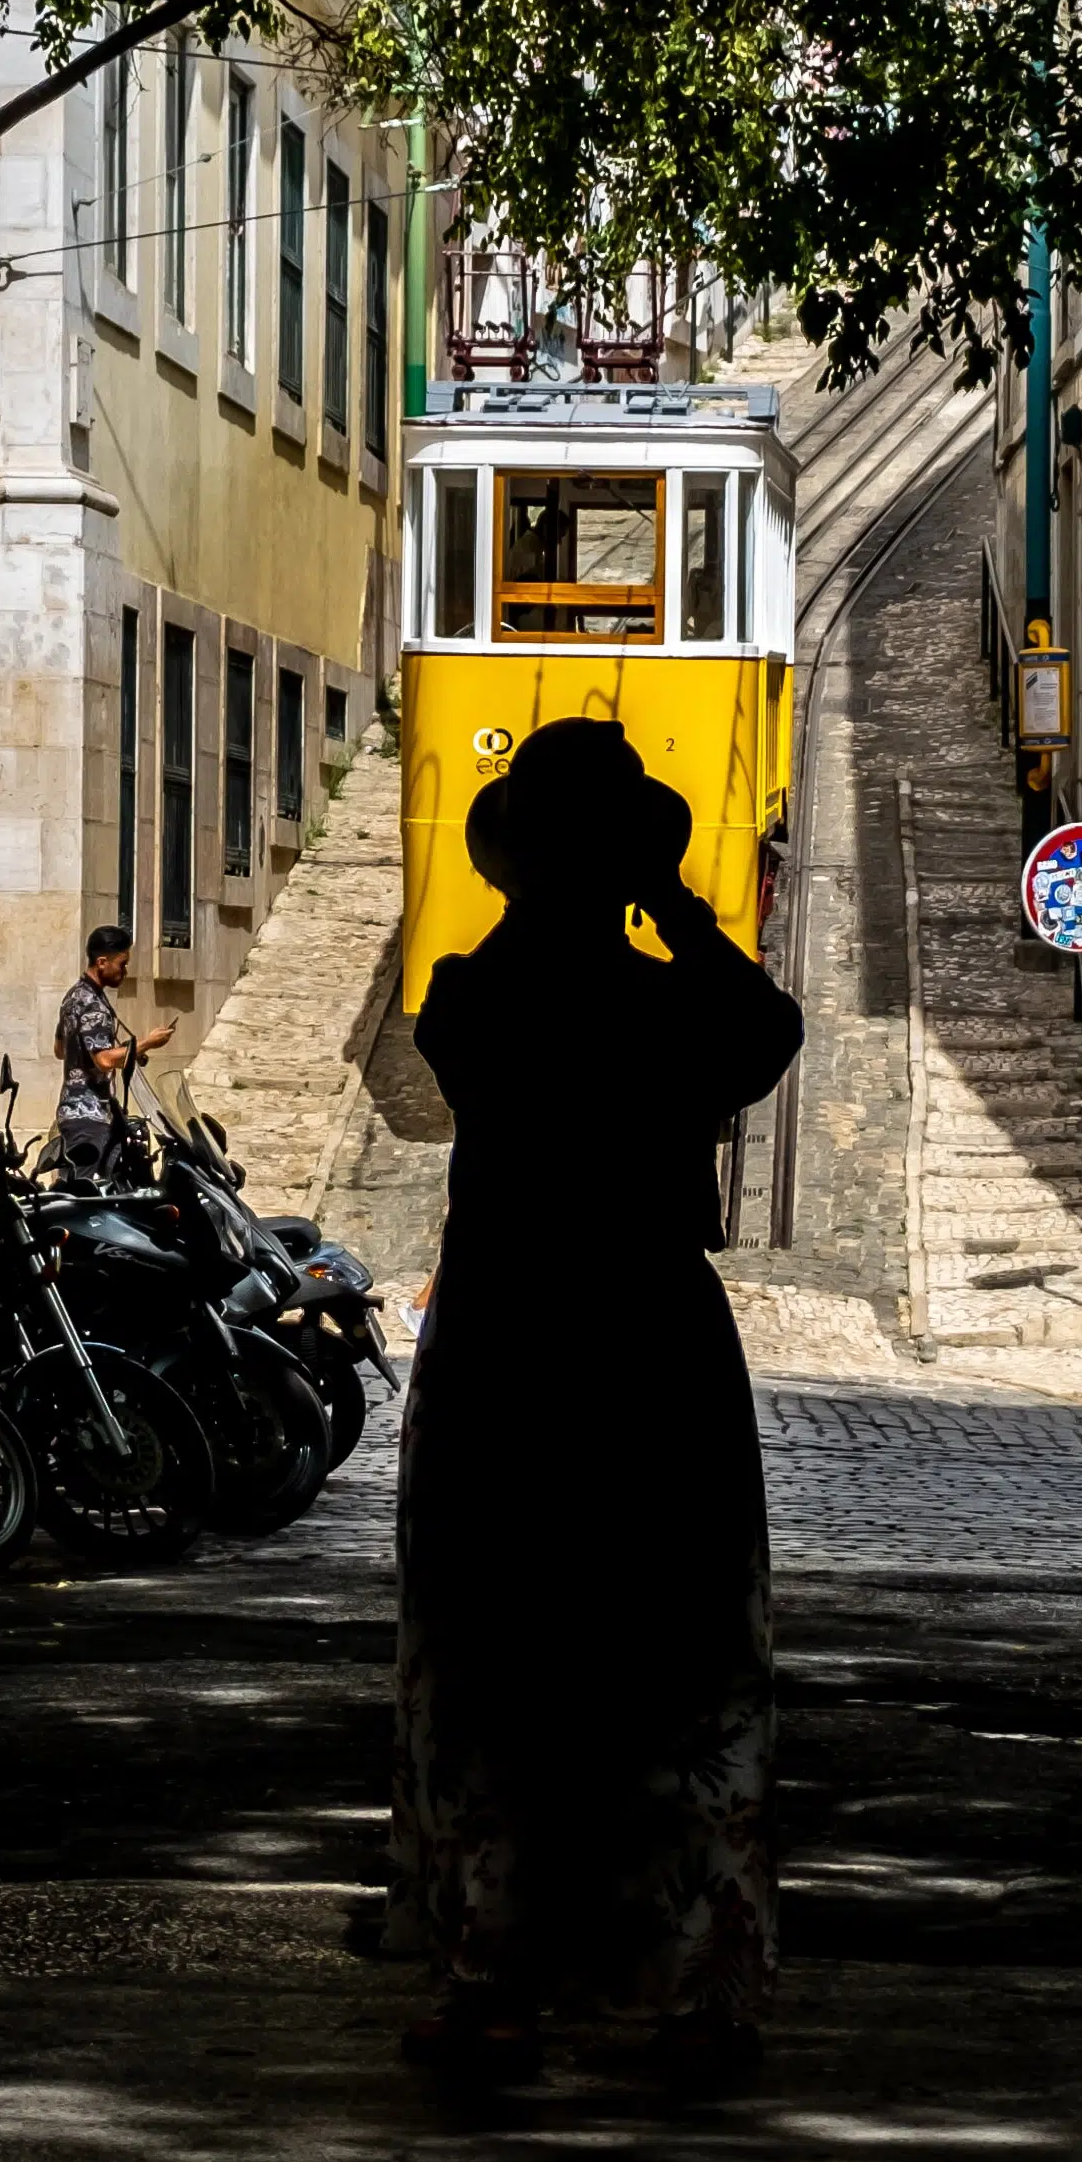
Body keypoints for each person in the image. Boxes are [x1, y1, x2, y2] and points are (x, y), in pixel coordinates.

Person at [388, 716, 804, 2081]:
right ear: (625, 860)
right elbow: (765, 1023)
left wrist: (576, 891)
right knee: (679, 1660)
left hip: (509, 1340)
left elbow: (488, 999)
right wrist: (669, 902)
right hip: (648, 1342)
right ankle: (693, 1987)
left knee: (498, 1659)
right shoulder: (671, 1008)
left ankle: (495, 1975)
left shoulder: (472, 994)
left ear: (511, 866)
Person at [54, 923, 168, 1175]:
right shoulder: (94, 1005)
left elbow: (61, 1048)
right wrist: (147, 1042)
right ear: (102, 962)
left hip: (77, 1112)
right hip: (89, 1116)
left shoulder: (73, 996)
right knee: (81, 1196)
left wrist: (122, 1050)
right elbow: (104, 1060)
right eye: (122, 964)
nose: (125, 971)